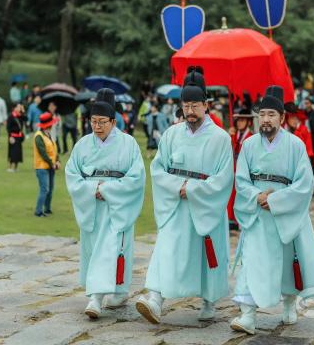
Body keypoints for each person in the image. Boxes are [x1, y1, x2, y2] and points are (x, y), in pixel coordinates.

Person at [136, 70, 233, 324]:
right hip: (176, 204)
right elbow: (157, 169)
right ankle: (155, 298)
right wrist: (177, 186)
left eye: (195, 105)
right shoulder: (171, 134)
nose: (190, 111)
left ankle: (209, 300)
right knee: (166, 247)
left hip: (205, 204)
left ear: (206, 105)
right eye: (186, 105)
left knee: (207, 254)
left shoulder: (220, 138)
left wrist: (191, 189)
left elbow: (223, 179)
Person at [230, 85, 314, 335]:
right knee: (252, 261)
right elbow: (241, 180)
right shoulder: (250, 145)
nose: (265, 119)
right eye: (262, 115)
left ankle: (289, 302)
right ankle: (248, 315)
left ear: (282, 118)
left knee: (286, 262)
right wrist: (257, 195)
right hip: (258, 212)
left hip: (286, 212)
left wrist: (277, 199)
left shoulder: (295, 145)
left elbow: (304, 184)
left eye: (271, 114)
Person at [66, 90, 145, 319]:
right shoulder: (82, 145)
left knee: (112, 248)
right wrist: (92, 189)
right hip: (91, 204)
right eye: (93, 121)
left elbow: (136, 178)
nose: (97, 127)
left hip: (116, 204)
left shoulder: (128, 144)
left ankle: (96, 298)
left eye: (102, 122)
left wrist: (108, 189)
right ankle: (118, 291)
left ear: (113, 121)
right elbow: (72, 173)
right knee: (94, 249)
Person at [228, 108, 254, 230]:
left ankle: (241, 220)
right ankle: (232, 219)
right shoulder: (234, 135)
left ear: (248, 122)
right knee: (232, 194)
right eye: (238, 120)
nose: (239, 123)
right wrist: (231, 137)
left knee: (243, 194)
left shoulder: (251, 136)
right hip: (233, 168)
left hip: (245, 169)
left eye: (242, 120)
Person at [33, 112, 60, 217]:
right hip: (41, 167)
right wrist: (52, 163)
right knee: (45, 189)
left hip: (50, 166)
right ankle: (38, 211)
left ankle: (47, 209)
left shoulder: (49, 134)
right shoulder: (38, 136)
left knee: (50, 188)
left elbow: (54, 149)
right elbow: (43, 152)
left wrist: (57, 160)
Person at [6, 103, 25, 172]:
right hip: (13, 136)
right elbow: (8, 127)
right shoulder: (11, 116)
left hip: (19, 137)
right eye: (18, 107)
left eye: (20, 107)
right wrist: (10, 136)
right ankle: (11, 167)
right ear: (14, 108)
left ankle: (16, 167)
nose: (19, 108)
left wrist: (23, 111)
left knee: (18, 152)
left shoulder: (20, 116)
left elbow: (26, 119)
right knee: (12, 152)